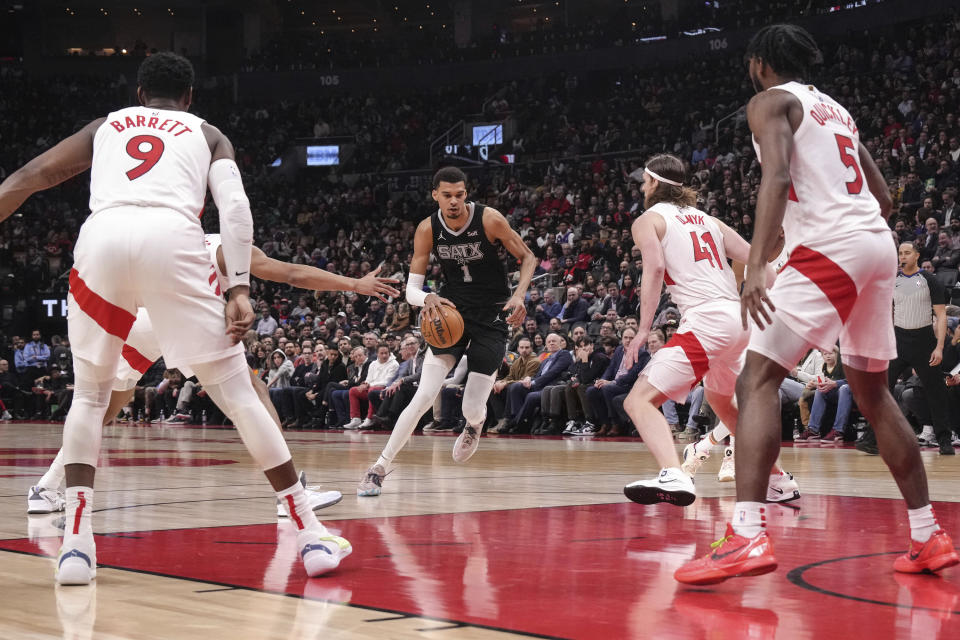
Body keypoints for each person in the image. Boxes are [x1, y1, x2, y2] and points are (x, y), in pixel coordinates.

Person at [0, 52, 354, 583]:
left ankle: (76, 544)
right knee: (237, 391)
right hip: (174, 240)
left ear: (140, 93)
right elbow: (234, 211)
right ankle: (308, 532)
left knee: (91, 395)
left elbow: (34, 175)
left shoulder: (107, 125)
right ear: (189, 98)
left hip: (104, 237)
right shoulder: (209, 135)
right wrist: (237, 288)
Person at [676, 25, 958, 586]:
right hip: (875, 244)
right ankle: (928, 537)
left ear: (759, 62)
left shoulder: (769, 100)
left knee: (755, 378)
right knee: (873, 391)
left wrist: (757, 264)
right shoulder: (837, 111)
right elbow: (881, 196)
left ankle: (747, 533)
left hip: (833, 247)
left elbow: (776, 177)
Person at [27, 231, 399, 515]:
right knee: (254, 391)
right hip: (177, 317)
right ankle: (292, 495)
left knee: (101, 411)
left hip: (137, 320)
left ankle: (46, 488)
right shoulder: (226, 246)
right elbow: (292, 273)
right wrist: (353, 283)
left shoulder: (175, 240)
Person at [619, 154, 797, 506]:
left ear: (653, 183)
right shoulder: (708, 220)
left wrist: (642, 329)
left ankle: (673, 473)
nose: (641, 187)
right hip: (738, 319)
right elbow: (763, 266)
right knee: (721, 400)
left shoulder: (647, 220)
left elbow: (654, 270)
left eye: (644, 181)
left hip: (706, 321)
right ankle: (777, 480)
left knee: (638, 401)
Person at [357, 166, 535, 496]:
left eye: (460, 195)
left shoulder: (489, 219)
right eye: (447, 195)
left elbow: (528, 257)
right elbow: (411, 291)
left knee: (470, 407)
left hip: (492, 315)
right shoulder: (427, 229)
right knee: (424, 394)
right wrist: (429, 297)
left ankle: (475, 424)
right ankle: (379, 467)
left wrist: (519, 294)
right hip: (450, 313)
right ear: (435, 195)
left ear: (467, 194)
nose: (454, 202)